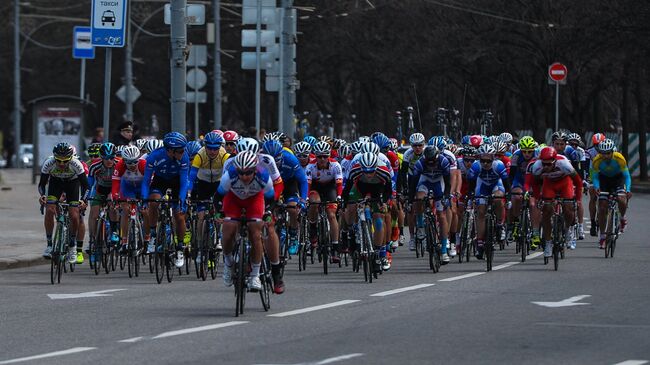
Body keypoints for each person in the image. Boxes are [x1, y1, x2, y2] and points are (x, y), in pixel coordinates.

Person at [216, 151, 275, 292]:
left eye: (248, 173)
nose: (244, 176)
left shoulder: (264, 177)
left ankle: (255, 275)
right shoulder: (229, 176)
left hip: (255, 201)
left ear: (255, 170)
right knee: (228, 228)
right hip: (233, 200)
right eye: (241, 173)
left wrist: (267, 213)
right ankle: (229, 264)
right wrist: (219, 211)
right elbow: (217, 197)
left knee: (255, 233)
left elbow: (271, 199)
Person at [141, 132, 190, 268]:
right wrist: (145, 200)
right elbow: (146, 181)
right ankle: (153, 235)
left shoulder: (184, 157)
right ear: (170, 150)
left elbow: (184, 182)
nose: (183, 152)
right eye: (180, 150)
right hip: (160, 181)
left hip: (177, 182)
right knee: (153, 202)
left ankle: (180, 247)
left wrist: (181, 199)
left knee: (179, 215)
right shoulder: (155, 156)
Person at [38, 143, 89, 262]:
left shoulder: (76, 163)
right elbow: (42, 184)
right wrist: (43, 196)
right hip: (56, 183)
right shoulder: (49, 163)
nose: (61, 164)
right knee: (49, 209)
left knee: (74, 214)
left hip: (72, 184)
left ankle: (72, 245)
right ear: (54, 157)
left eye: (65, 161)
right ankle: (50, 245)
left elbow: (86, 186)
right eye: (58, 161)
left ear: (70, 158)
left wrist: (84, 200)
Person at [529, 147, 582, 256]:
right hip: (549, 185)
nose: (546, 167)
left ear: (555, 161)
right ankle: (548, 242)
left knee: (568, 208)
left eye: (549, 164)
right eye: (544, 164)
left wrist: (578, 199)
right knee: (547, 211)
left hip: (564, 183)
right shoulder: (537, 166)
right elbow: (534, 184)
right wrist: (538, 198)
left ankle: (568, 230)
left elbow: (578, 181)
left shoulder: (564, 163)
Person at [590, 139, 632, 249]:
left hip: (618, 179)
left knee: (621, 199)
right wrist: (597, 187)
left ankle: (622, 218)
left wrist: (627, 189)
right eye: (603, 153)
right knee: (602, 207)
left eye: (608, 153)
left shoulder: (619, 158)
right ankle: (603, 236)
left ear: (612, 152)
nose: (606, 156)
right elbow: (594, 177)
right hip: (604, 180)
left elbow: (627, 176)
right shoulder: (597, 160)